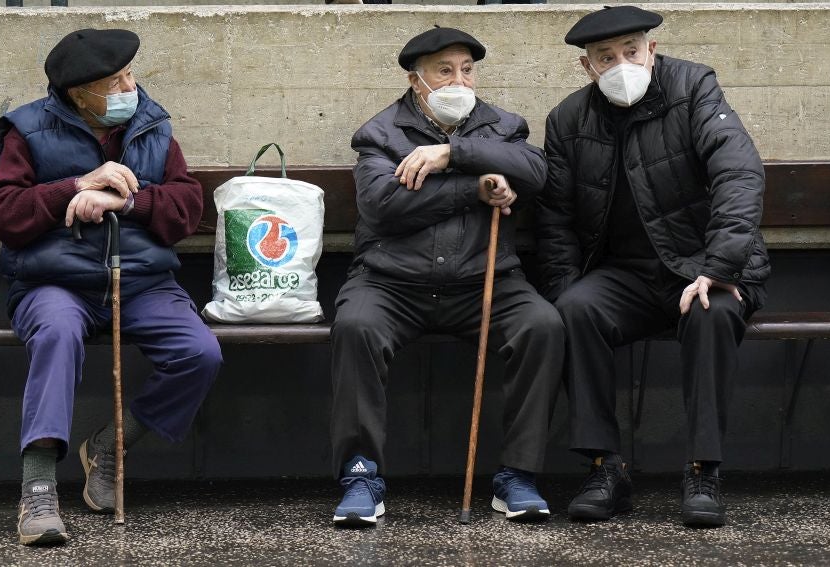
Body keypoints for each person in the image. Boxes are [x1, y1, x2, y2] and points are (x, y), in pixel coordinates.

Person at [0, 29, 222, 545]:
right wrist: (74, 186)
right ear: (79, 95)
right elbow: (3, 213)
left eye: (130, 75)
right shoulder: (27, 129)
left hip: (139, 281)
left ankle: (111, 446)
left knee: (199, 352)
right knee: (57, 332)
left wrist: (128, 202)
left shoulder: (153, 125)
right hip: (54, 282)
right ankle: (39, 485)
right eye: (115, 82)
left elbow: (187, 209)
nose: (129, 88)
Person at [536, 6, 770, 527]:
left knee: (712, 312)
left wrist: (720, 266)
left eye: (631, 51)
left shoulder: (694, 88)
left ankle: (703, 470)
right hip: (627, 276)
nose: (621, 64)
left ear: (652, 50)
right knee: (574, 310)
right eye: (605, 57)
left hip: (703, 266)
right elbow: (555, 220)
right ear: (587, 67)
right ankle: (605, 469)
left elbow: (738, 171)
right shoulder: (568, 120)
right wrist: (564, 288)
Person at [330, 26, 565, 527]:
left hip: (487, 282)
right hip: (390, 284)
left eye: (467, 69)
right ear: (418, 81)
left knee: (541, 325)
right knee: (357, 327)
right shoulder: (380, 133)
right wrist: (475, 188)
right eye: (444, 70)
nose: (459, 80)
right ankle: (360, 474)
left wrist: (453, 155)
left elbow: (536, 172)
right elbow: (383, 205)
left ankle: (518, 476)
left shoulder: (504, 125)